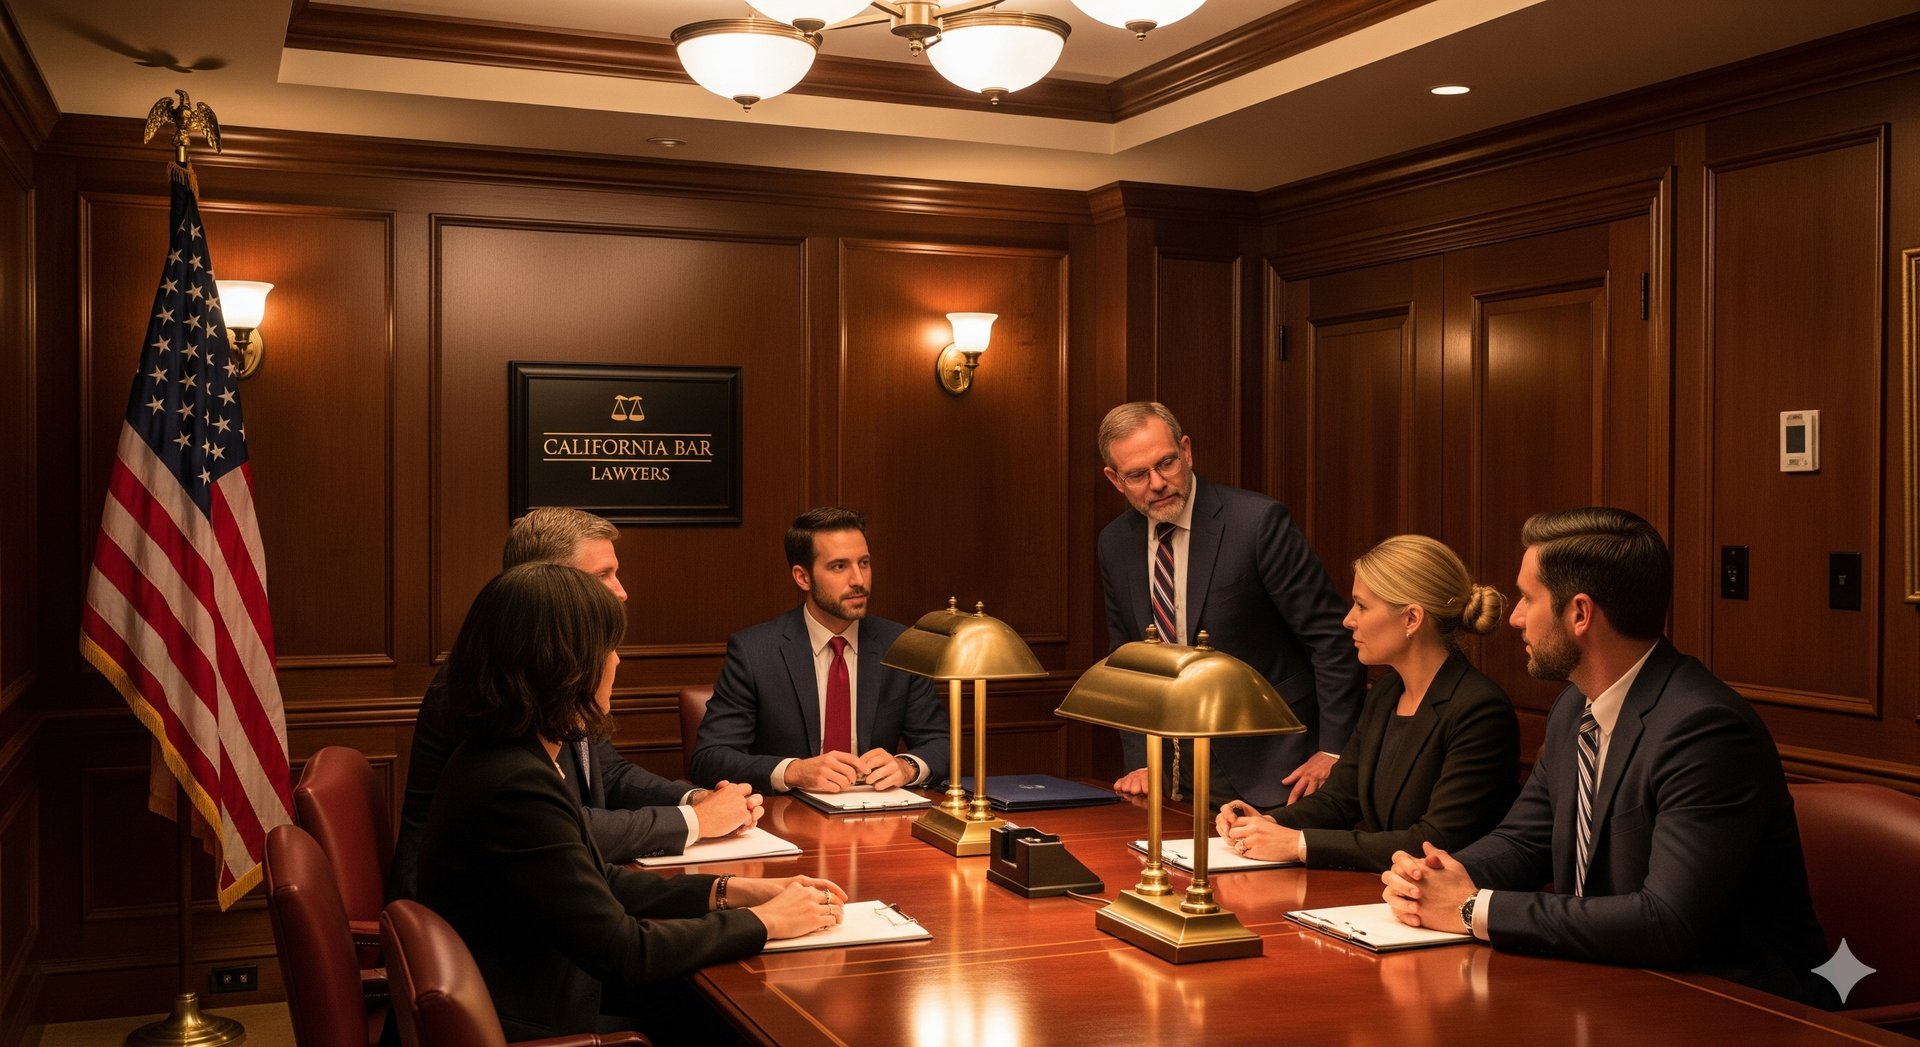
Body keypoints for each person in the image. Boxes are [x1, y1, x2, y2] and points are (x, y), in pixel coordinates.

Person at [1380, 508, 1837, 1008]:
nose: (1513, 618)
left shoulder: (1704, 730)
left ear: (1579, 614)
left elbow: (1667, 921)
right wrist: (1432, 878)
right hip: (1610, 985)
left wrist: (1473, 909)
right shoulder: (1575, 705)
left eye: (1529, 599)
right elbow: (1523, 840)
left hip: (1732, 1006)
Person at [416, 562, 846, 1040]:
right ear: (564, 665)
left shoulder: (505, 755)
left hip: (540, 997)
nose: (617, 662)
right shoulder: (514, 784)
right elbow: (625, 952)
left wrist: (736, 891)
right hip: (538, 1027)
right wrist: (765, 921)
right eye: (609, 647)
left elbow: (598, 881)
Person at [390, 507, 761, 900]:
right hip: (466, 916)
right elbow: (547, 822)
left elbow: (608, 773)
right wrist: (695, 821)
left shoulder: (555, 665)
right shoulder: (490, 686)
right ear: (550, 583)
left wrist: (695, 798)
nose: (621, 591)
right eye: (603, 575)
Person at [1097, 402, 1365, 808]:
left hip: (1278, 767)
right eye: (1137, 474)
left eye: (1167, 463)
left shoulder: (1256, 524)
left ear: (1186, 451)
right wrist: (1140, 760)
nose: (1157, 483)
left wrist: (1333, 752)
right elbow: (1127, 662)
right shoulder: (1114, 543)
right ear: (1115, 480)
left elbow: (1331, 639)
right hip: (1173, 775)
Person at [1215, 535, 1519, 871]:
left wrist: (1298, 844)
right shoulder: (1386, 692)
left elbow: (1435, 841)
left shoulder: (1480, 710)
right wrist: (1267, 823)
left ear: (1411, 619)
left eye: (1361, 606)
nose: (1348, 620)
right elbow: (1340, 800)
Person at [691, 507, 947, 794]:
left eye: (863, 563)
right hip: (790, 818)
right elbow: (710, 758)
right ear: (803, 577)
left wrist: (907, 766)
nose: (858, 580)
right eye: (839, 566)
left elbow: (941, 743)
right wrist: (794, 771)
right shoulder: (755, 652)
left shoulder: (900, 644)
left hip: (878, 816)